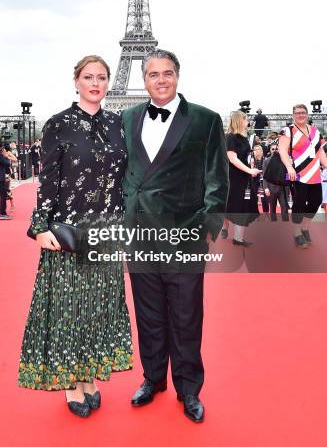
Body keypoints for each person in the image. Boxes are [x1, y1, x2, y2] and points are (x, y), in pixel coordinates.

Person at [18, 55, 133, 418]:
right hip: (68, 231)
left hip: (109, 230)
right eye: (88, 77)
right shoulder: (58, 125)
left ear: (108, 81)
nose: (95, 83)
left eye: (101, 77)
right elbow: (48, 180)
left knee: (99, 309)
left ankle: (89, 378)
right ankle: (71, 384)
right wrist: (39, 228)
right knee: (69, 310)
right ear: (77, 81)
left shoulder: (119, 124)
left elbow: (128, 178)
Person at [122, 49, 229, 423]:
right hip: (140, 234)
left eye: (167, 73)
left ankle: (188, 388)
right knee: (149, 314)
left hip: (184, 236)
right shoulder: (128, 118)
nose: (161, 80)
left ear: (178, 76)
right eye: (153, 74)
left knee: (185, 316)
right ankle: (153, 378)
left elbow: (218, 176)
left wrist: (208, 225)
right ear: (144, 79)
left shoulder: (205, 119)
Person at [278, 104, 327, 248]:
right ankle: (297, 233)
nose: (301, 115)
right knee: (299, 204)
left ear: (307, 114)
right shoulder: (288, 131)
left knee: (316, 202)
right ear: (293, 115)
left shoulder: (315, 131)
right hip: (298, 175)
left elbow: (321, 153)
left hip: (315, 175)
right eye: (298, 113)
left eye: (303, 112)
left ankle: (305, 227)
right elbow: (282, 151)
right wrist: (289, 167)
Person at [221, 111, 261, 246]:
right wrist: (250, 170)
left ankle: (238, 238)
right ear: (240, 120)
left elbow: (245, 158)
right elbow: (232, 159)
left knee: (243, 206)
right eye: (246, 119)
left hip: (245, 178)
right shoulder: (230, 137)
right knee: (231, 205)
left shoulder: (245, 138)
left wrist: (252, 166)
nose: (248, 121)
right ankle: (224, 226)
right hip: (233, 178)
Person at [262, 143, 289, 221]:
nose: (274, 150)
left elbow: (289, 173)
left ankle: (286, 225)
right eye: (272, 149)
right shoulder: (266, 161)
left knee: (284, 208)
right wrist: (266, 188)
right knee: (272, 209)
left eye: (276, 149)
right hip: (271, 188)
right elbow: (264, 176)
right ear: (270, 150)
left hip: (284, 189)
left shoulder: (285, 160)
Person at [252, 144, 269, 213]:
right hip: (255, 180)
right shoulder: (252, 160)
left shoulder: (265, 159)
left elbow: (268, 171)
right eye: (255, 150)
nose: (256, 151)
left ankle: (266, 213)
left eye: (258, 149)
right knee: (254, 198)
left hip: (263, 181)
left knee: (264, 199)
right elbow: (252, 172)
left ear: (261, 150)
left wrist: (258, 171)